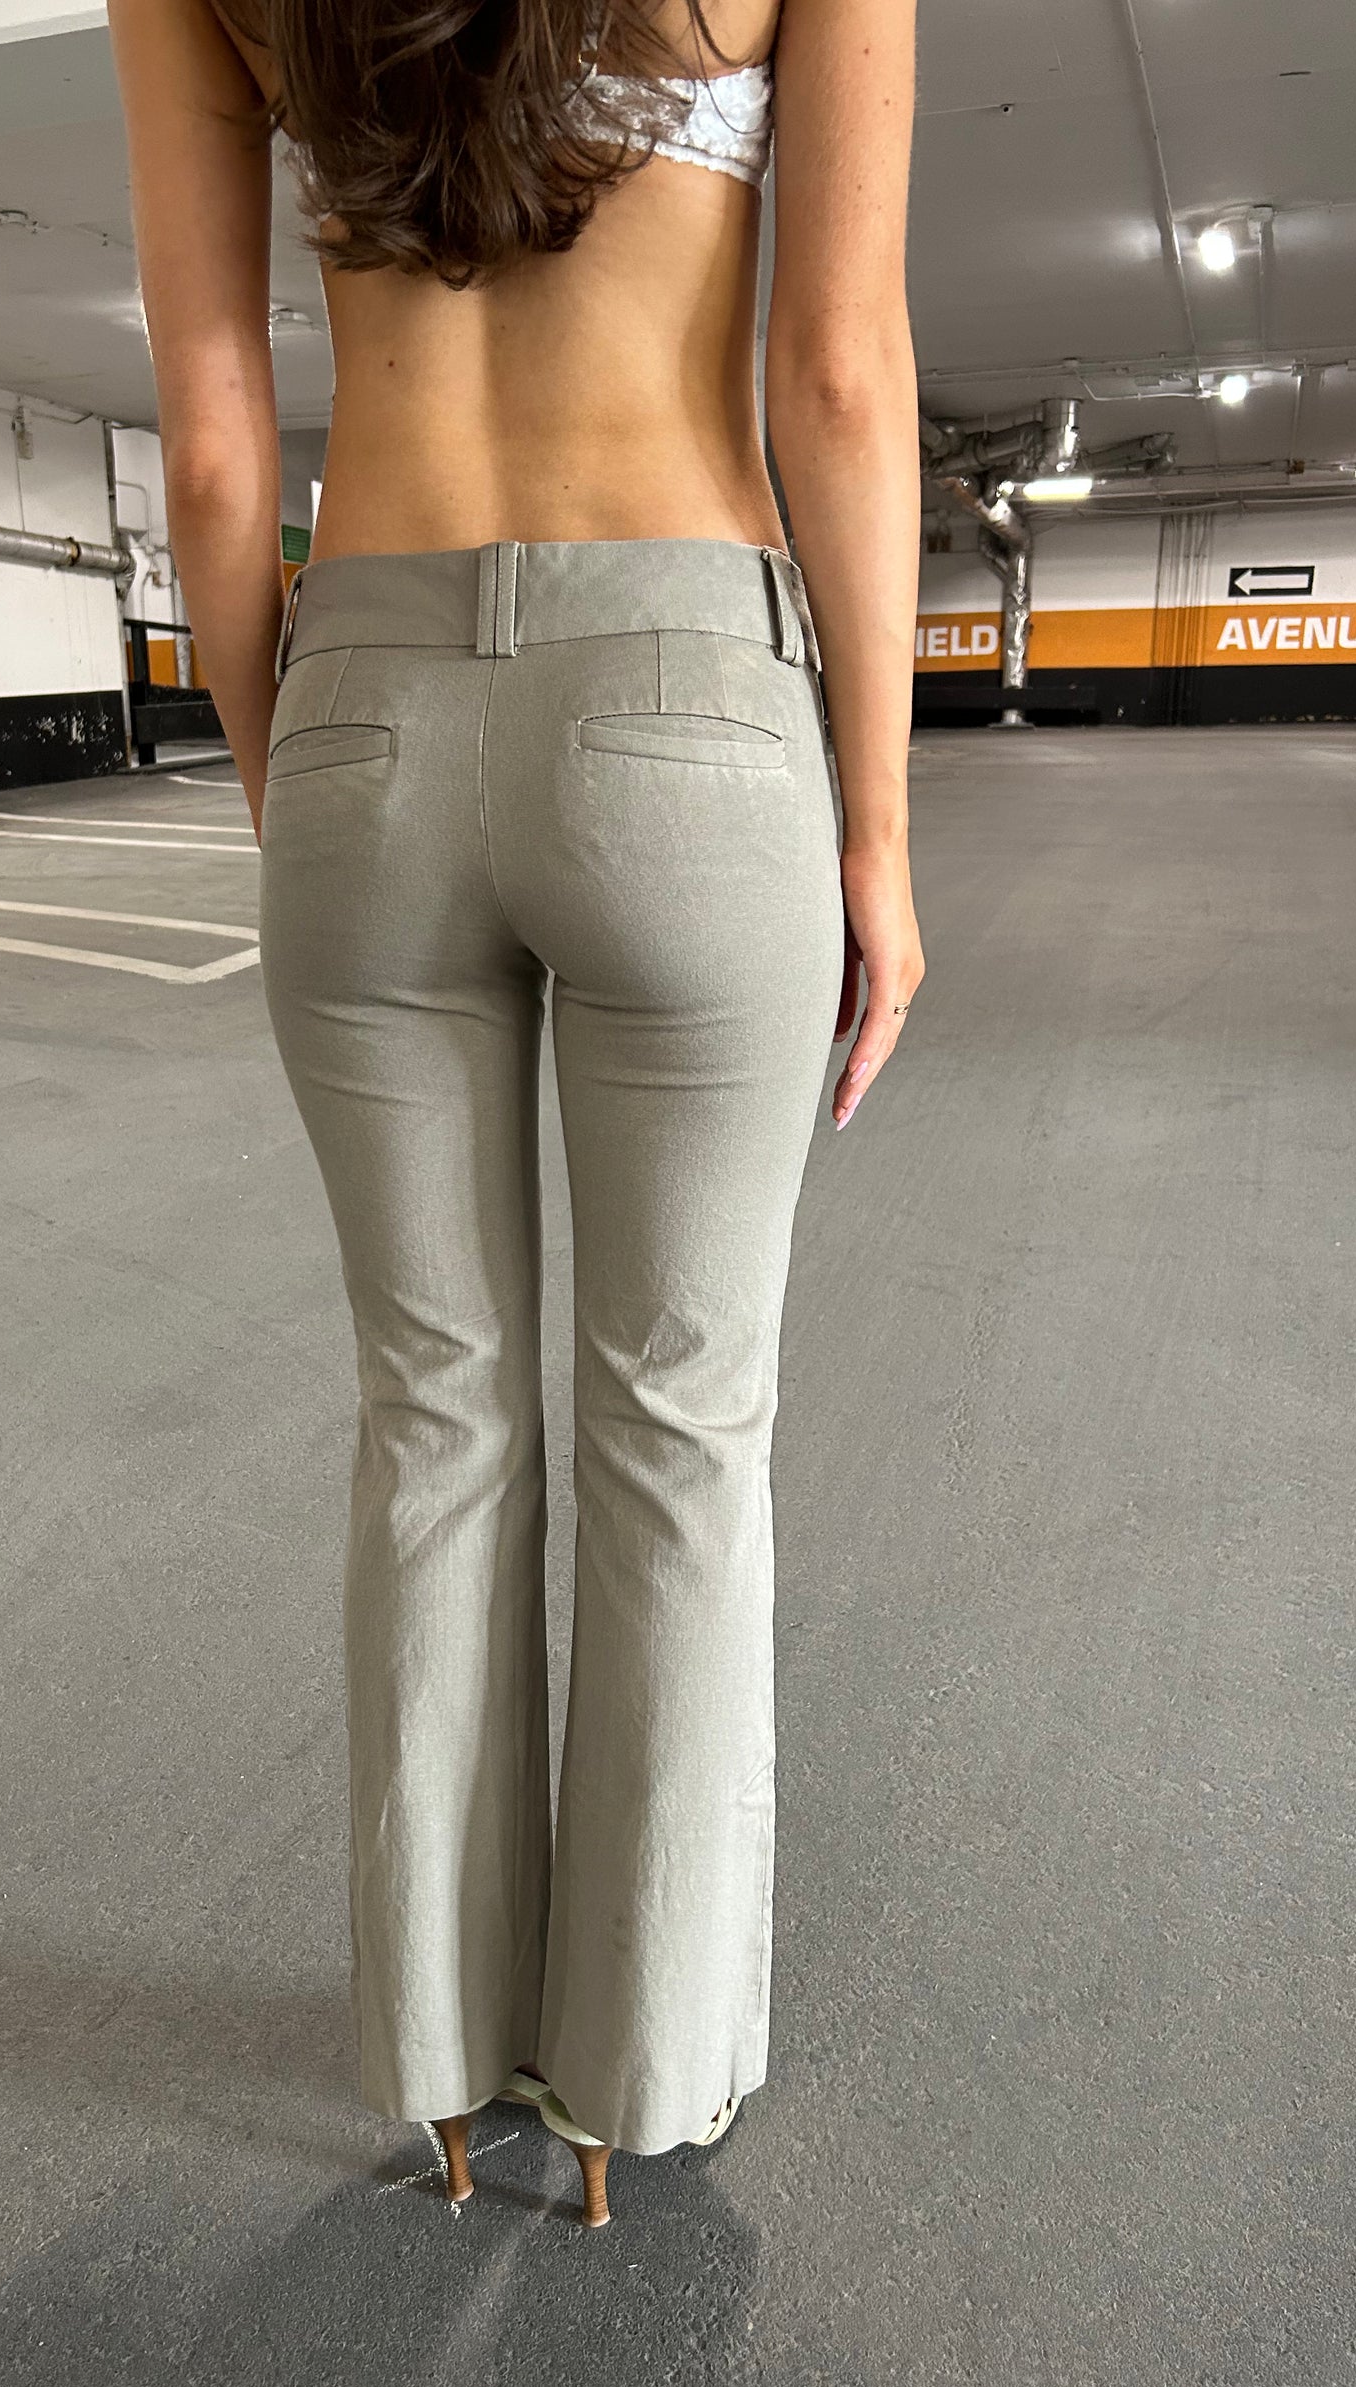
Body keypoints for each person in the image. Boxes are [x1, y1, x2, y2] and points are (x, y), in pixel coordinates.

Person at [108, 0, 923, 2227]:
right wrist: (874, 833)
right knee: (681, 1421)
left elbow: (211, 446)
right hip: (684, 686)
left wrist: (298, 774)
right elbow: (835, 371)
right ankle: (636, 2073)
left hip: (363, 695)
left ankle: (443, 2067)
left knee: (433, 1418)